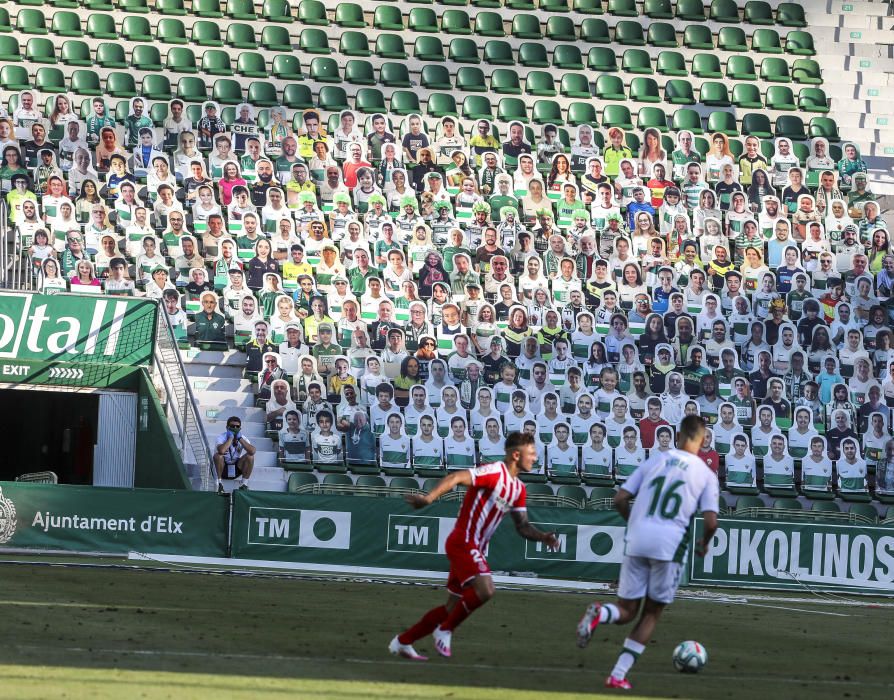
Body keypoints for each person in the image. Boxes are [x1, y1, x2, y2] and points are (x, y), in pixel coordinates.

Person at [576, 415, 719, 690]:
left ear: (678, 436)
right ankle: (617, 675)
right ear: (701, 441)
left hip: (637, 539)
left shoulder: (655, 460)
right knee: (651, 614)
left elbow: (620, 499)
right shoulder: (704, 473)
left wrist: (635, 522)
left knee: (626, 610)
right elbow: (712, 522)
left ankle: (600, 613)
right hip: (670, 545)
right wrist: (704, 542)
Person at [390, 432, 559, 660]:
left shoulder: (518, 489)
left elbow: (523, 526)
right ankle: (446, 629)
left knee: (452, 607)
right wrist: (428, 499)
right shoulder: (494, 472)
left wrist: (543, 537)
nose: (535, 458)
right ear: (516, 455)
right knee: (486, 589)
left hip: (474, 547)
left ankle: (403, 641)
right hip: (463, 540)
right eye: (532, 453)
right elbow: (457, 477)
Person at [213, 416, 256, 493]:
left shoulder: (242, 438)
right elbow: (221, 451)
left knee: (250, 457)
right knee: (218, 456)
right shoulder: (221, 437)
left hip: (236, 467)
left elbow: (252, 451)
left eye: (237, 426)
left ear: (240, 428)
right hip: (222, 468)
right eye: (232, 426)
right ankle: (219, 484)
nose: (235, 428)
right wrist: (230, 438)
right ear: (227, 427)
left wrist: (239, 439)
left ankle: (244, 484)